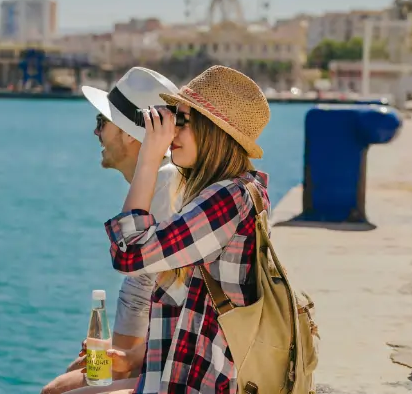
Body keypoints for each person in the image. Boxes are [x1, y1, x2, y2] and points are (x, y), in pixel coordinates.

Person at [90, 65, 272, 394]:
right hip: (176, 376)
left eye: (182, 122)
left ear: (212, 131)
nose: (171, 133)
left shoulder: (228, 199)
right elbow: (181, 301)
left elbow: (128, 253)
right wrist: (134, 357)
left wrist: (149, 155)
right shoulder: (228, 193)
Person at [40, 67, 182, 394]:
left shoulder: (164, 182)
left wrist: (124, 361)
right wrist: (119, 356)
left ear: (129, 134)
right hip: (155, 351)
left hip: (171, 362)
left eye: (101, 123)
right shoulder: (162, 179)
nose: (96, 133)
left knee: (56, 391)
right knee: (68, 381)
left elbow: (143, 279)